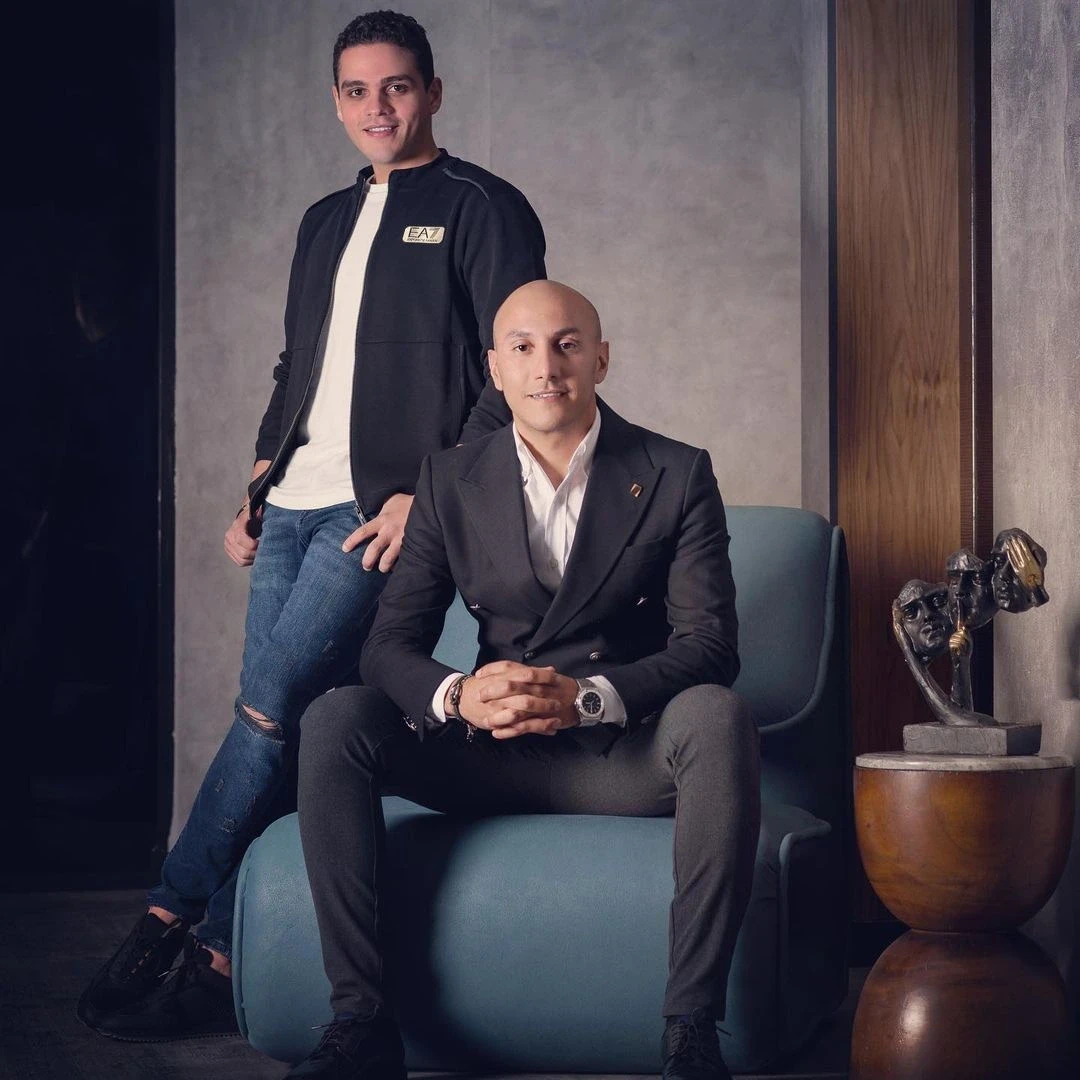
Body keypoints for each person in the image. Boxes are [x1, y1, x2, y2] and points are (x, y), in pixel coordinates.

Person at [79, 9, 546, 1040]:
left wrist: (428, 495)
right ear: (337, 103)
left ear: (432, 92)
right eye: (356, 91)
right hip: (292, 503)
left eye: (397, 86)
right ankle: (222, 959)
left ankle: (167, 912)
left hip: (377, 511)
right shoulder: (323, 219)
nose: (377, 108)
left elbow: (515, 370)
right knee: (282, 722)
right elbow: (300, 360)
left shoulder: (481, 207)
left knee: (268, 706)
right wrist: (262, 469)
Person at [289, 280, 761, 1080]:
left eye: (567, 344)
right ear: (495, 369)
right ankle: (360, 1025)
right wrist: (459, 695)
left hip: (616, 755)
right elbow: (389, 645)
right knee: (336, 717)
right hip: (485, 749)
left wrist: (586, 699)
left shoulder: (677, 472)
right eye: (523, 348)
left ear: (601, 359)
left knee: (717, 714)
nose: (546, 366)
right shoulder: (448, 477)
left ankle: (691, 1033)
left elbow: (710, 646)